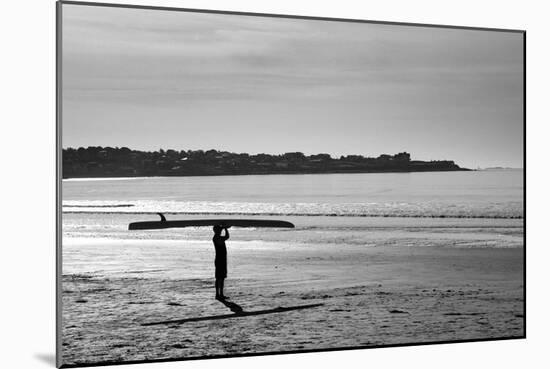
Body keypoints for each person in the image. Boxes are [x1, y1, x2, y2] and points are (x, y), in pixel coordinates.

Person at [212, 225, 230, 300]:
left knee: (221, 278)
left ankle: (220, 294)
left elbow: (226, 237)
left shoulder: (217, 237)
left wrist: (223, 228)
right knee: (219, 277)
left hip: (221, 259)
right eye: (219, 230)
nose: (220, 231)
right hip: (220, 260)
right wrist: (225, 228)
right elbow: (227, 237)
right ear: (217, 231)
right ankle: (218, 294)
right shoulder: (217, 238)